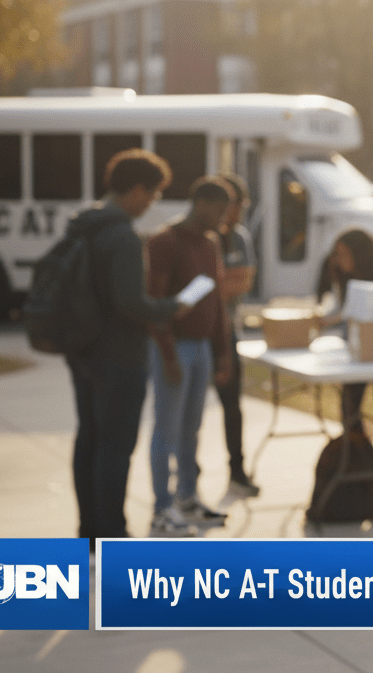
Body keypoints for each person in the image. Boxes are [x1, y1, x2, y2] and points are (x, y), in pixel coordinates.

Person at [66, 149, 185, 550]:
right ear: (136, 190)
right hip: (118, 356)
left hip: (81, 347)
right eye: (152, 195)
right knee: (116, 448)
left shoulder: (83, 225)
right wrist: (171, 306)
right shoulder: (124, 238)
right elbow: (131, 304)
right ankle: (112, 533)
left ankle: (89, 532)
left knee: (89, 441)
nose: (152, 203)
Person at [146, 176, 234, 536]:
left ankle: (187, 497)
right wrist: (167, 354)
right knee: (166, 428)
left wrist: (223, 352)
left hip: (201, 347)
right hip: (175, 346)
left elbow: (216, 299)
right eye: (219, 210)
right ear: (201, 203)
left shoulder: (211, 243)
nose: (223, 219)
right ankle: (162, 508)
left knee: (191, 429)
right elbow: (155, 302)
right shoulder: (165, 241)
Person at [317, 229, 373, 469]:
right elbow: (339, 309)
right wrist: (320, 319)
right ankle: (359, 458)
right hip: (356, 354)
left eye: (344, 254)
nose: (340, 260)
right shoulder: (343, 277)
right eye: (337, 255)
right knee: (349, 407)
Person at [214, 171, 259, 498]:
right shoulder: (201, 236)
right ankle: (187, 480)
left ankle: (238, 471)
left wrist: (217, 284)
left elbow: (243, 281)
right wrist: (221, 284)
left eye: (237, 203)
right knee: (187, 416)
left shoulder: (239, 237)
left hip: (228, 331)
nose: (234, 209)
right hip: (198, 333)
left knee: (232, 407)